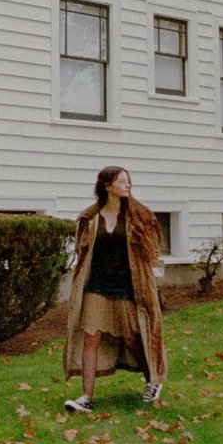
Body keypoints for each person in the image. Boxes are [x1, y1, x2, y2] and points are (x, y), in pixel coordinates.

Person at [63, 165, 167, 412]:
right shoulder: (91, 218)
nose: (127, 185)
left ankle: (152, 380)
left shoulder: (138, 217)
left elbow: (151, 251)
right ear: (107, 186)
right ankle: (86, 398)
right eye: (121, 181)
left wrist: (154, 278)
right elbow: (83, 252)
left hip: (127, 287)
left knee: (131, 339)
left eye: (128, 181)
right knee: (91, 337)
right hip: (97, 285)